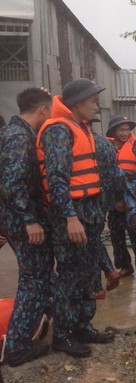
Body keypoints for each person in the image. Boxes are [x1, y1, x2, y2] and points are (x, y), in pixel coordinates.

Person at [37, 78, 115, 358]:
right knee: (70, 275)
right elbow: (57, 181)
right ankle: (62, 335)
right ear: (77, 102)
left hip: (89, 211)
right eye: (93, 101)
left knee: (88, 272)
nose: (96, 105)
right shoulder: (59, 130)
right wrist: (70, 218)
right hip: (71, 214)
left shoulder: (81, 128)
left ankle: (82, 325)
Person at [0, 87, 53, 366]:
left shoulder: (12, 133)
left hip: (14, 218)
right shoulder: (20, 138)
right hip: (22, 220)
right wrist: (30, 220)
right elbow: (13, 184)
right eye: (51, 109)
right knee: (32, 279)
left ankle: (43, 316)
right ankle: (18, 346)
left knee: (40, 272)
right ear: (43, 110)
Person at [106, 115, 136, 283]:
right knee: (116, 235)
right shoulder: (107, 147)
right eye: (121, 130)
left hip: (133, 199)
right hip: (113, 199)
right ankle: (125, 266)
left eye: (127, 130)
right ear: (113, 131)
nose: (125, 133)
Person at [90, 118, 121, 299]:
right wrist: (117, 198)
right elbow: (116, 175)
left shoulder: (76, 144)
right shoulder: (105, 144)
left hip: (85, 203)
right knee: (94, 238)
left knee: (89, 243)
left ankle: (96, 286)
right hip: (104, 202)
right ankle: (108, 271)